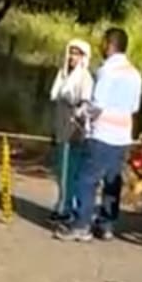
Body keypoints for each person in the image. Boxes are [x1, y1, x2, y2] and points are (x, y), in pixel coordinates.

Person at [57, 27, 142, 242]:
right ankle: (106, 225)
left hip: (102, 133)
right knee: (112, 182)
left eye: (104, 42)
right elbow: (134, 106)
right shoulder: (134, 73)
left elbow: (98, 105)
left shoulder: (108, 71)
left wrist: (80, 113)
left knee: (86, 180)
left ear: (109, 44)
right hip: (123, 136)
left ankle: (81, 225)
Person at [49, 39, 93, 224]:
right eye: (71, 52)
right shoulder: (63, 75)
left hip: (74, 129)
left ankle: (70, 209)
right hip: (61, 126)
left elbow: (85, 104)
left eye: (77, 53)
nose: (73, 57)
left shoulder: (84, 78)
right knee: (61, 170)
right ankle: (62, 204)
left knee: (71, 170)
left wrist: (77, 116)